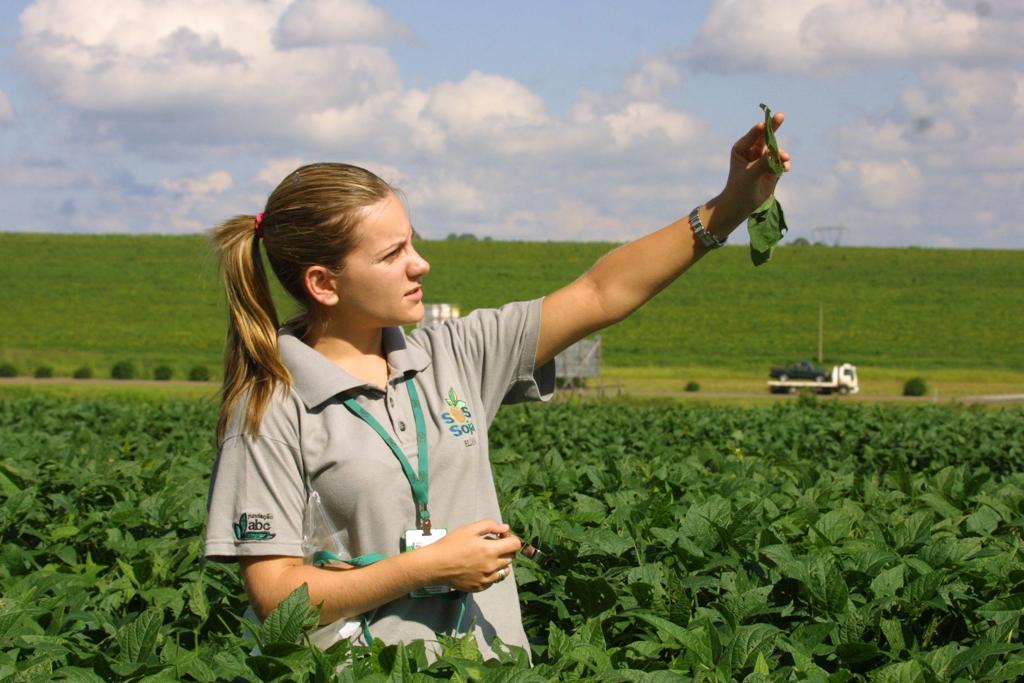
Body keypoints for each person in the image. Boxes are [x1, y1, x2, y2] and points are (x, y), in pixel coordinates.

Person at [204, 113, 790, 658]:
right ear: (323, 283)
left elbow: (600, 293)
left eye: (412, 241)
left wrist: (729, 207)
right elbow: (275, 595)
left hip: (489, 665)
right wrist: (424, 567)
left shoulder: (454, 353)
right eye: (392, 254)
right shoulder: (269, 409)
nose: (420, 264)